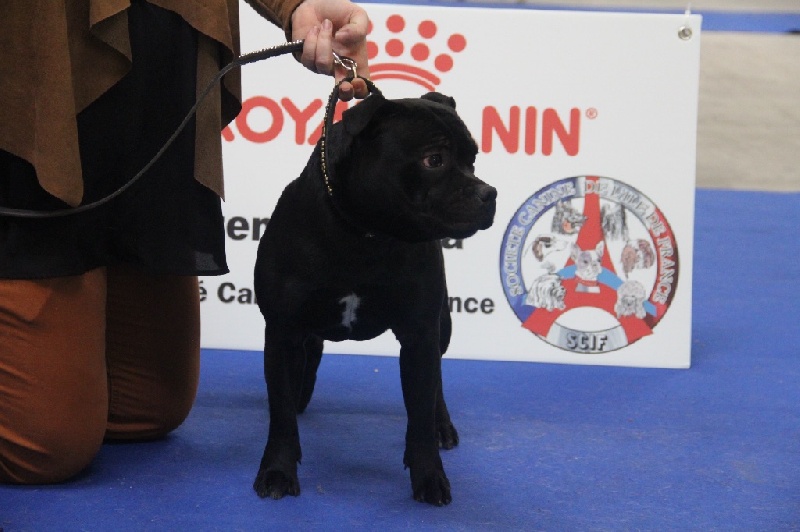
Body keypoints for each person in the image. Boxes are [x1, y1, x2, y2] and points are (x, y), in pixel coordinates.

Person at [0, 0, 370, 484]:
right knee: (43, 448)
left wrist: (293, 5)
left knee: (148, 409)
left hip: (163, 80)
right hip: (34, 65)